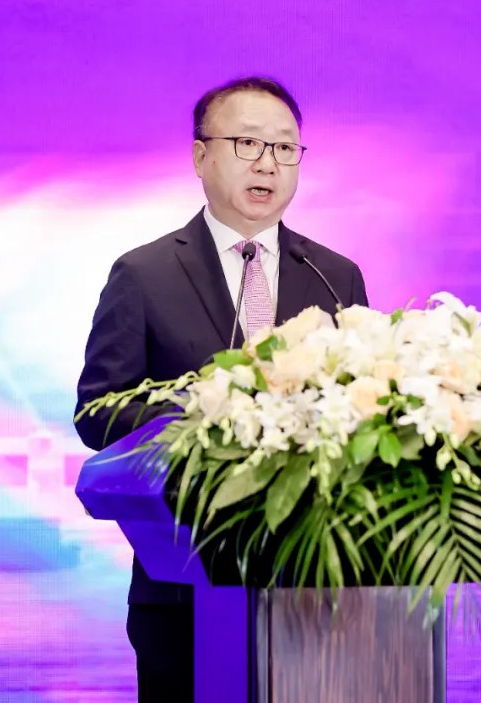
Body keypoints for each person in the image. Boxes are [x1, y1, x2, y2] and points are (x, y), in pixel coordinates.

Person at [74, 76, 369, 703]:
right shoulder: (144, 273)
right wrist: (210, 410)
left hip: (317, 589)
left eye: (285, 148)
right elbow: (98, 411)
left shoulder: (335, 275)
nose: (268, 163)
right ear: (200, 156)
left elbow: (364, 407)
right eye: (247, 143)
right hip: (185, 582)